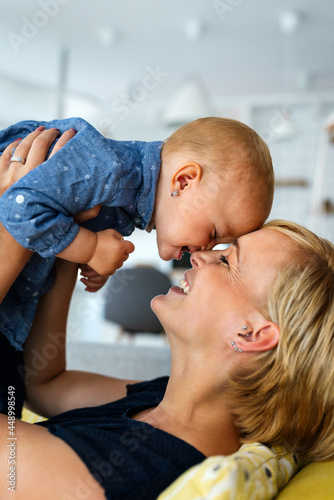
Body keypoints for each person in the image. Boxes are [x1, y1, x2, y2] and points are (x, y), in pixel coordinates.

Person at [0, 217, 333, 500]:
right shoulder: (168, 402)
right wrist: (71, 241)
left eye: (228, 261)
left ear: (251, 334)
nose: (202, 256)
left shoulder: (131, 472)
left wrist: (13, 224)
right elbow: (45, 384)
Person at [0, 117, 274, 416]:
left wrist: (85, 253)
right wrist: (88, 247)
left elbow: (41, 386)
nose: (203, 252)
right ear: (183, 181)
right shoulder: (108, 168)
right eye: (212, 235)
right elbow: (18, 206)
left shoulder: (123, 197)